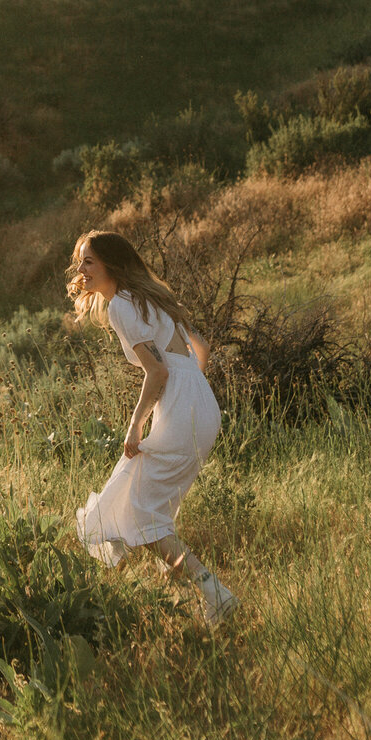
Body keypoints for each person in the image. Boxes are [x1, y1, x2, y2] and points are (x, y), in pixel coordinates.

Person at [69, 229, 236, 626]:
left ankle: (214, 592)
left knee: (143, 512)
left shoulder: (120, 307)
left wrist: (135, 425)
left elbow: (157, 370)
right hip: (202, 403)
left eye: (88, 261)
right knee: (133, 498)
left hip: (182, 406)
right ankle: (169, 585)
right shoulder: (151, 297)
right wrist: (186, 392)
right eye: (81, 261)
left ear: (111, 263)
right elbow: (202, 350)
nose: (81, 269)